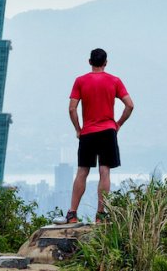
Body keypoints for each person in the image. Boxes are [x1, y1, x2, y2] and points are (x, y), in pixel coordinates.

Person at [60, 48, 134, 224]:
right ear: (106, 62)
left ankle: (72, 213)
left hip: (88, 132)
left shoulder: (80, 81)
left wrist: (78, 128)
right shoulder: (114, 81)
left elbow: (72, 108)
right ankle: (100, 216)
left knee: (82, 171)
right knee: (104, 171)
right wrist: (118, 124)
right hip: (108, 131)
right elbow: (130, 105)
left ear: (89, 62)